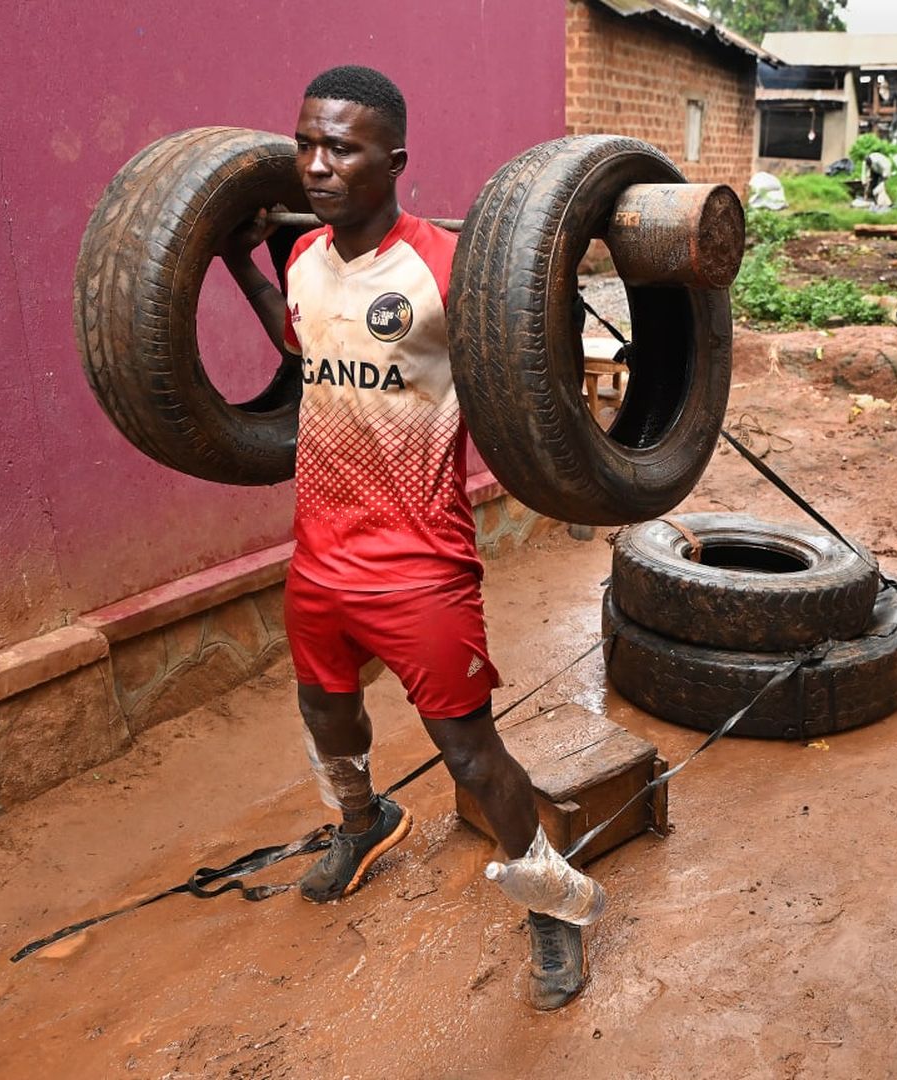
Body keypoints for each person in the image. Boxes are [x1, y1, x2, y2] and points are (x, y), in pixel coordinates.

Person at [220, 64, 604, 1011]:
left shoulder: (447, 265)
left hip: (419, 558)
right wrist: (237, 261)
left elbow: (527, 375)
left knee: (471, 755)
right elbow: (303, 344)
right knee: (326, 715)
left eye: (340, 149)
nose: (315, 164)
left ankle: (555, 906)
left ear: (393, 161)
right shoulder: (304, 254)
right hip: (318, 552)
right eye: (306, 143)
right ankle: (362, 819)